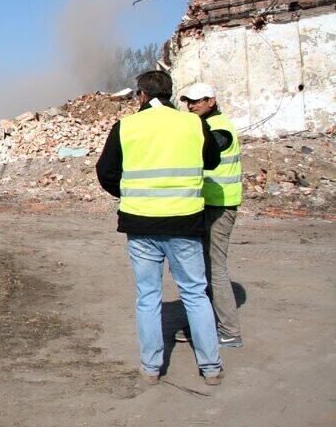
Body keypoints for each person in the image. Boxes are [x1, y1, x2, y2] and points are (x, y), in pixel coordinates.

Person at [96, 70, 224, 386]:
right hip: (185, 222)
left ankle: (152, 368)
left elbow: (106, 172)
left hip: (140, 224)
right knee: (195, 293)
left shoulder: (126, 127)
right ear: (170, 93)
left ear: (141, 95)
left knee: (148, 297)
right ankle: (210, 368)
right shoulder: (193, 123)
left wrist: (129, 193)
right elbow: (212, 161)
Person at [178, 82, 243, 348]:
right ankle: (200, 324)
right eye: (188, 102)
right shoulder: (206, 126)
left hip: (219, 206)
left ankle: (229, 330)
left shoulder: (219, 129)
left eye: (197, 101)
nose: (191, 106)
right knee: (200, 267)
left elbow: (201, 154)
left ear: (211, 101)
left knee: (214, 268)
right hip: (207, 205)